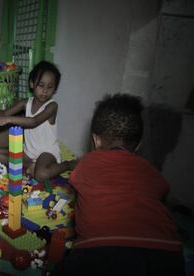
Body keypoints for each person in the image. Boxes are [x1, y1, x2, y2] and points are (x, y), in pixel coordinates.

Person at [54, 94, 185, 275]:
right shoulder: (151, 171)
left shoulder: (86, 163)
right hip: (167, 254)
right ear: (138, 145)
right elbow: (162, 198)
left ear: (96, 140)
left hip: (101, 251)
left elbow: (79, 198)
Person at [0, 60, 75, 182]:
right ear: (32, 84)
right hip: (28, 154)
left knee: (41, 174)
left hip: (47, 152)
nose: (45, 91)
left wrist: (8, 120)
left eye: (50, 87)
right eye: (41, 85)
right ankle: (32, 165)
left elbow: (33, 121)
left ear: (54, 89)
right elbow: (5, 113)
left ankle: (67, 165)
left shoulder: (52, 106)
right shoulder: (25, 103)